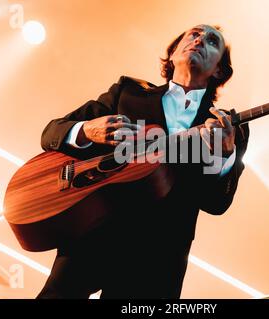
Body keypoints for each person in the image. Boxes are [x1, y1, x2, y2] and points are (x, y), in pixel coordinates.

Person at [37, 24, 250, 299]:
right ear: (173, 53)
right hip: (95, 230)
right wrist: (88, 130)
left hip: (160, 256)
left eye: (211, 41)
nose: (199, 40)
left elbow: (216, 203)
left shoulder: (229, 127)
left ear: (219, 70)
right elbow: (51, 132)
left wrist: (221, 154)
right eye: (194, 34)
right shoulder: (128, 93)